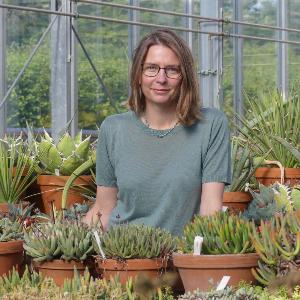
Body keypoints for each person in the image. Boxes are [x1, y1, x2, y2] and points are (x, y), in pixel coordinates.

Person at [84, 28, 231, 236]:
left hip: (180, 260)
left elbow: (210, 210)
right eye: (151, 68)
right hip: (123, 257)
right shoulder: (113, 128)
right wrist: (65, 245)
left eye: (172, 70)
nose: (161, 78)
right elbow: (103, 208)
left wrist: (198, 261)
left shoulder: (211, 125)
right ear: (138, 75)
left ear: (185, 77)